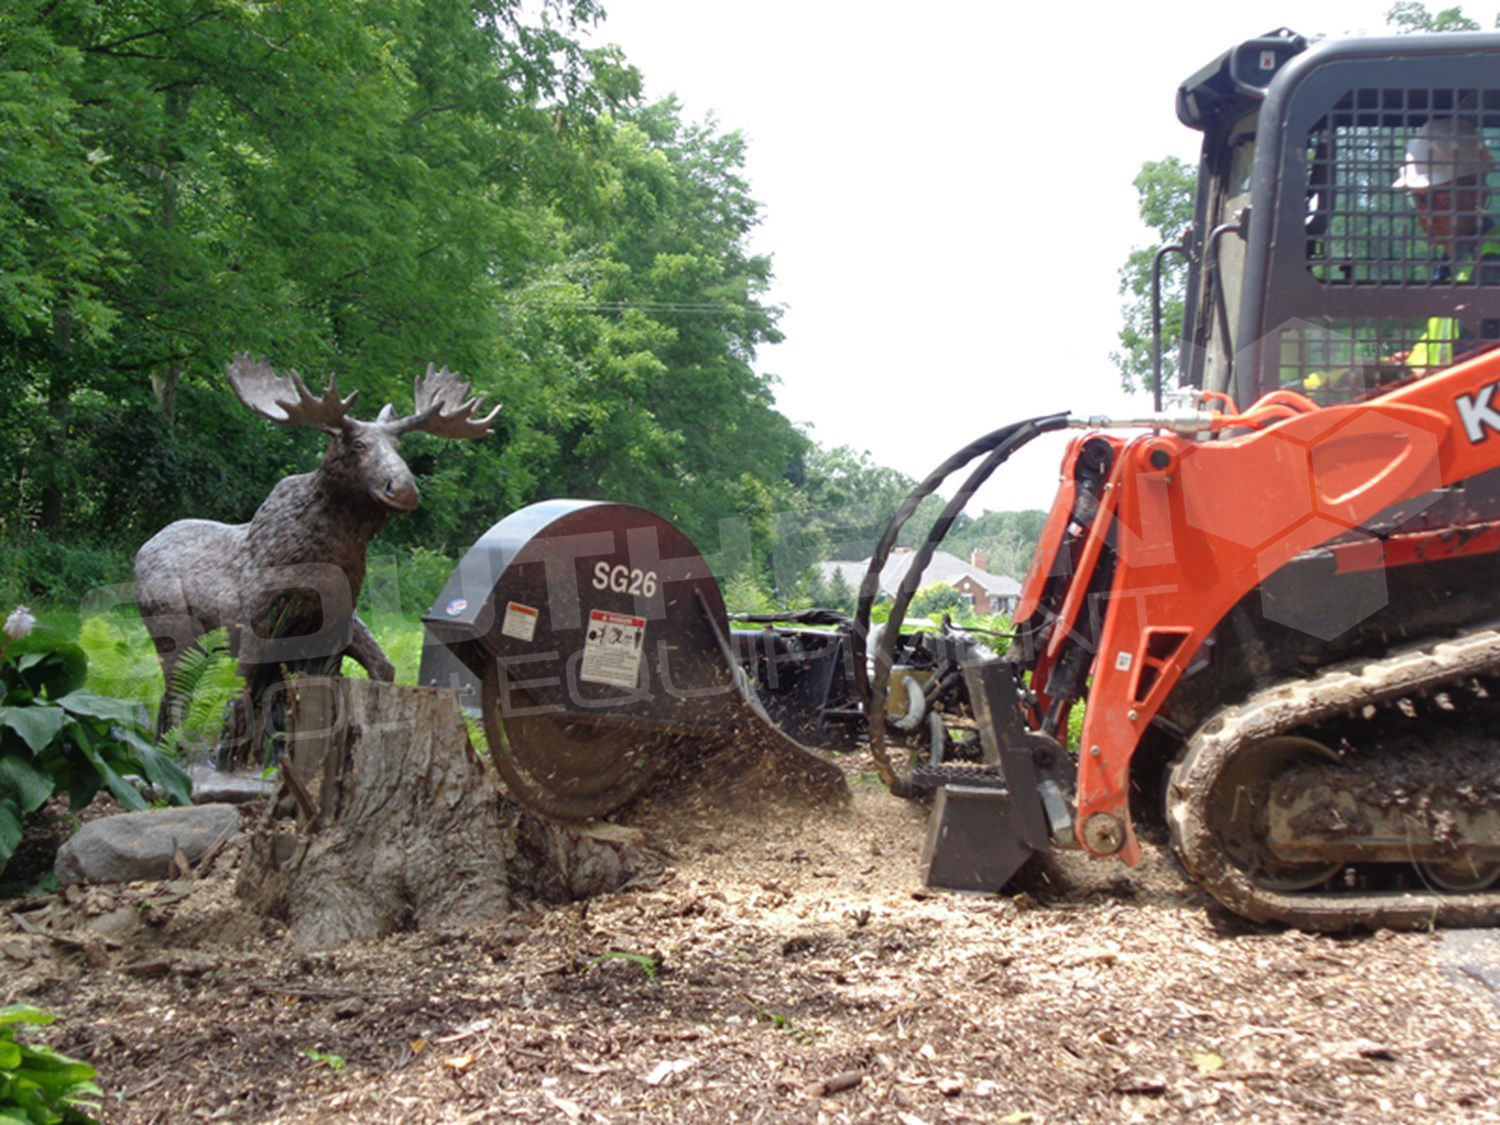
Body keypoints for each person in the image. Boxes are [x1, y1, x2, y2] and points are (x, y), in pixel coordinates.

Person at [1391, 117, 1500, 373]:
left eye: (1439, 198)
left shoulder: (1491, 266)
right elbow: (1440, 347)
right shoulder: (1455, 263)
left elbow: (1476, 370)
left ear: (1478, 194)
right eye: (1419, 201)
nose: (1427, 214)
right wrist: (1409, 363)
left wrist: (1416, 374)